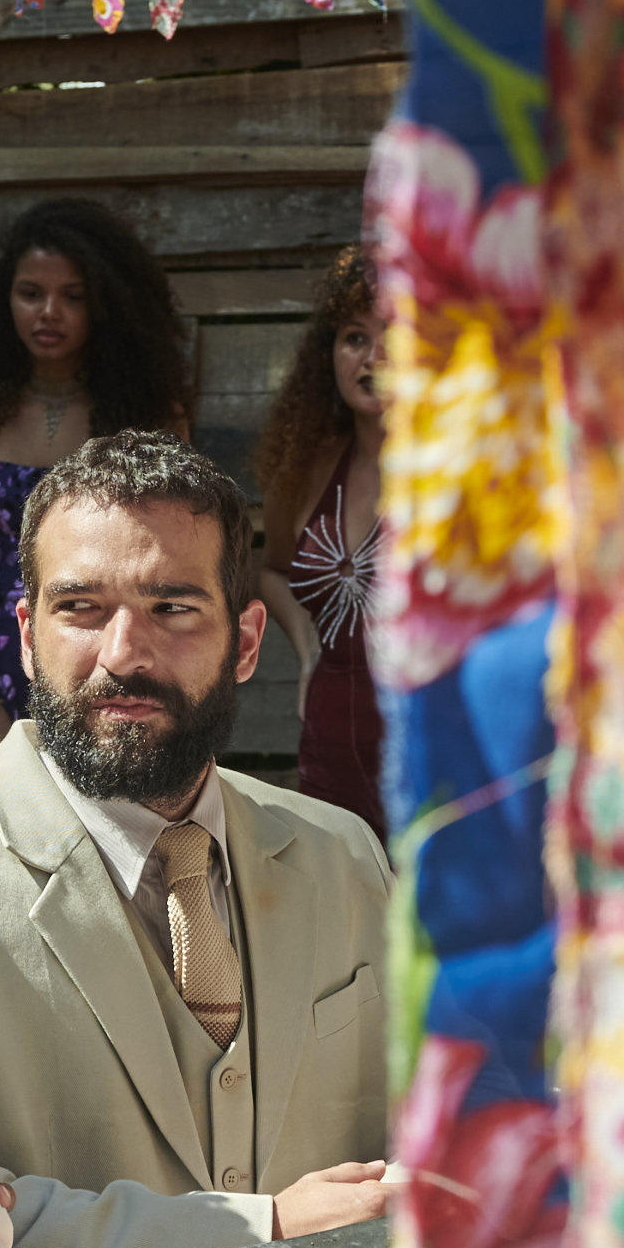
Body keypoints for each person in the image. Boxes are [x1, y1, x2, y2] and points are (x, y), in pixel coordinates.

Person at [0, 430, 394, 1248]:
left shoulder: (341, 853)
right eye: (80, 607)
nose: (123, 653)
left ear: (245, 642)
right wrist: (266, 1228)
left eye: (172, 607)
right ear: (26, 636)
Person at [0, 201, 194, 785]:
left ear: (106, 305)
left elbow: (172, 568)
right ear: (5, 301)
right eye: (31, 293)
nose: (49, 312)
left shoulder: (150, 421)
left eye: (73, 295)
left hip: (108, 668)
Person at [254, 246, 386, 838]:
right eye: (355, 337)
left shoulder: (463, 475)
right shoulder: (305, 468)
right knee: (338, 889)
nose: (375, 358)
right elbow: (273, 571)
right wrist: (308, 649)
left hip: (437, 751)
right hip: (330, 744)